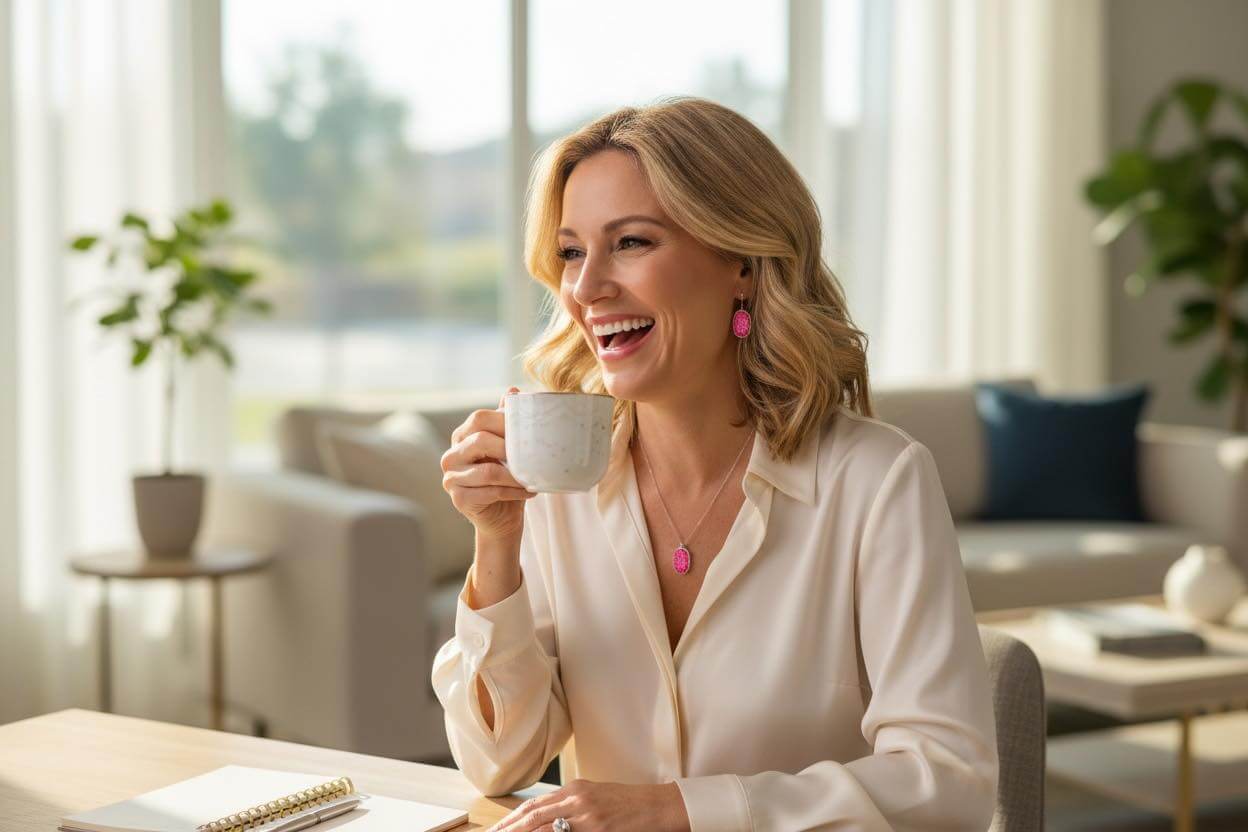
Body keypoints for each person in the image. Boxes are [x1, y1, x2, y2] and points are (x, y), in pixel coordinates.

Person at [433, 97, 998, 832]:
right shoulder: (561, 484)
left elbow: (948, 782)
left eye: (631, 242)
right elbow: (497, 763)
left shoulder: (875, 479)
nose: (586, 287)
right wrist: (497, 542)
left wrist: (684, 812)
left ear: (742, 261)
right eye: (572, 252)